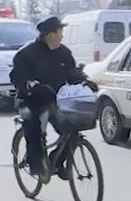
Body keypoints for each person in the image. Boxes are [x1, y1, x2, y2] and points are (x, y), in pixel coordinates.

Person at [11, 16, 93, 184]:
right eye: (60, 31)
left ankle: (57, 162)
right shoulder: (28, 53)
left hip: (56, 100)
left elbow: (71, 73)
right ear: (51, 34)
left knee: (72, 127)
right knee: (34, 127)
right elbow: (17, 75)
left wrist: (85, 81)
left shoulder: (64, 53)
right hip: (31, 100)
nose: (62, 35)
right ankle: (36, 164)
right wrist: (30, 84)